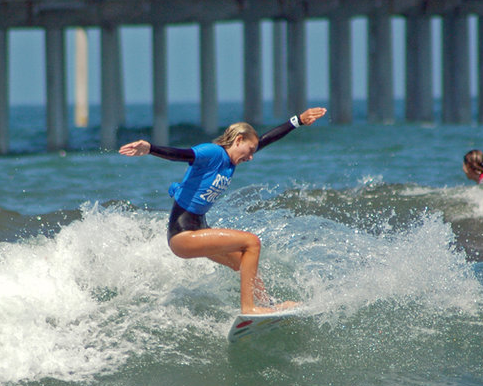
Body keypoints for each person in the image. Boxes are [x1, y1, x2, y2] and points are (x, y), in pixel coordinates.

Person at [119, 107, 327, 314]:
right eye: (250, 150)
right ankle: (249, 308)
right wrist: (150, 148)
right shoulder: (213, 152)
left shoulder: (230, 162)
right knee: (251, 242)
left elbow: (266, 139)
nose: (252, 156)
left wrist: (297, 120)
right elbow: (182, 154)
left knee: (244, 263)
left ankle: (267, 305)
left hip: (199, 229)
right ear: (238, 140)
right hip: (183, 235)